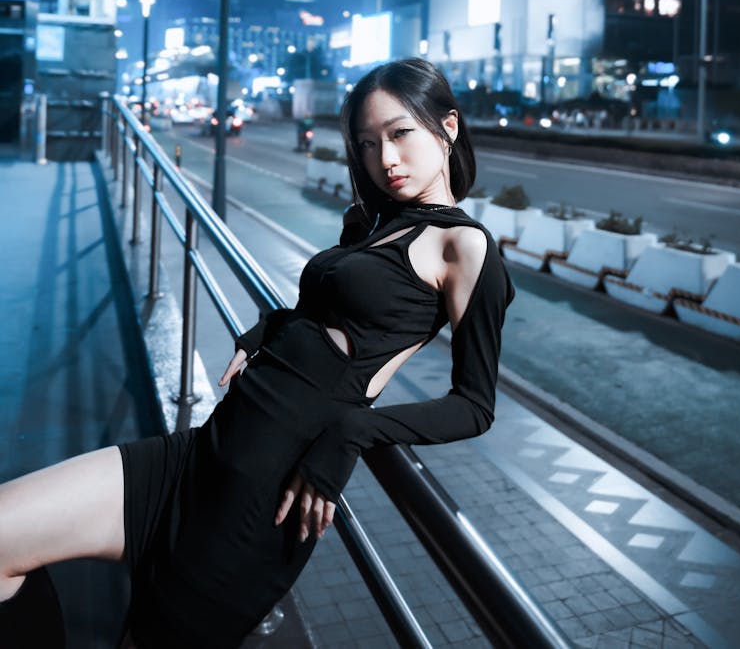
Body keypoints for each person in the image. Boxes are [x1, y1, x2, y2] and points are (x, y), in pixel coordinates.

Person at [0, 58, 514, 649]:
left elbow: (474, 405)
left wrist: (351, 433)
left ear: (447, 125)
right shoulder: (377, 223)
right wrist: (268, 328)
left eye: (401, 134)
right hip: (200, 455)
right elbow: (327, 308)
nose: (385, 159)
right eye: (369, 143)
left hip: (255, 505)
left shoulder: (464, 247)